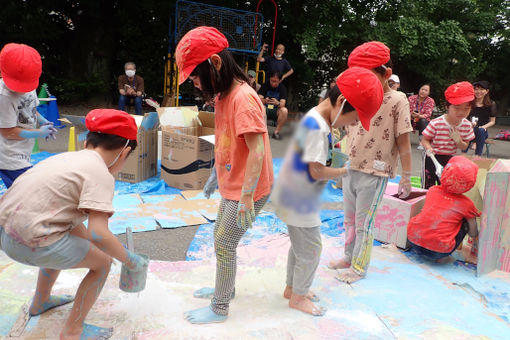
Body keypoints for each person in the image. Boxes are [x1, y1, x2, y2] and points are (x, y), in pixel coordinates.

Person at [0, 109, 148, 339]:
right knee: (103, 264)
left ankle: (40, 301)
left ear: (89, 139)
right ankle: (73, 330)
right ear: (125, 151)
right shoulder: (100, 173)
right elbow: (98, 234)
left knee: (64, 237)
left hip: (6, 234)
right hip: (33, 243)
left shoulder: (67, 158)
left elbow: (75, 227)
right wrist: (130, 260)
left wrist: (99, 246)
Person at [175, 26, 273, 324]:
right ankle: (225, 290)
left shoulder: (243, 98)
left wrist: (246, 196)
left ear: (215, 63)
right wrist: (215, 174)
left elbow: (257, 151)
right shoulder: (221, 96)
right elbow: (229, 139)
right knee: (221, 237)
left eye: (194, 74)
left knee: (224, 243)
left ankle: (220, 307)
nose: (193, 82)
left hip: (250, 188)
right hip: (234, 182)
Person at [272, 67, 383, 316]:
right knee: (311, 250)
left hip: (293, 195)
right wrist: (346, 171)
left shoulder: (316, 116)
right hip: (299, 200)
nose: (352, 125)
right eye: (354, 119)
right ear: (342, 103)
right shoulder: (318, 128)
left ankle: (293, 288)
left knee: (300, 248)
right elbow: (317, 172)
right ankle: (298, 297)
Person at [328, 41, 413, 284]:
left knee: (364, 222)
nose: (362, 83)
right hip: (350, 166)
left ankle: (358, 266)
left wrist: (406, 176)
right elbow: (341, 126)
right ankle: (347, 256)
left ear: (386, 74)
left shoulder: (398, 100)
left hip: (375, 173)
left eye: (369, 77)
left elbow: (404, 143)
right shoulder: (356, 95)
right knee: (349, 219)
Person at [0, 43, 58, 188]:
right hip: (8, 156)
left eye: (25, 85)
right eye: (17, 85)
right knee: (28, 191)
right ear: (2, 72)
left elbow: (31, 108)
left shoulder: (29, 85)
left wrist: (43, 121)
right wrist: (39, 133)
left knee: (21, 194)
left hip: (21, 152)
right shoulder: (4, 97)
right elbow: (8, 132)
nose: (22, 89)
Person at [407, 156, 480, 262]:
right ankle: (444, 257)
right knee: (466, 219)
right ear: (470, 183)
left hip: (413, 241)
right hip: (439, 251)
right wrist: (476, 237)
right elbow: (472, 232)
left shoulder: (432, 190)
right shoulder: (467, 204)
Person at [420, 81, 475, 189]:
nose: (461, 112)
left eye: (466, 108)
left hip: (449, 159)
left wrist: (458, 140)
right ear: (447, 106)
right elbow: (424, 140)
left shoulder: (467, 125)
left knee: (446, 186)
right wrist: (429, 148)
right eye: (457, 108)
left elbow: (464, 146)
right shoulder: (436, 123)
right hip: (432, 157)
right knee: (428, 185)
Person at [464, 81, 496, 156]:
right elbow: (464, 118)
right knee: (472, 130)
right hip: (470, 129)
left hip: (482, 131)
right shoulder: (469, 103)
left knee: (480, 130)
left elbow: (492, 121)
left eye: (481, 89)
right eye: (476, 89)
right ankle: (463, 154)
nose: (478, 92)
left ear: (487, 91)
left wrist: (483, 127)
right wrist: (469, 124)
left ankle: (478, 155)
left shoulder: (491, 104)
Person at [258, 72, 289, 140]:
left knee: (284, 110)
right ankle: (264, 131)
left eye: (275, 81)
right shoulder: (265, 85)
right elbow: (258, 99)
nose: (273, 83)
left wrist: (277, 103)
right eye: (271, 80)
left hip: (276, 110)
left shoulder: (282, 88)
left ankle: (276, 132)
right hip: (265, 109)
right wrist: (264, 100)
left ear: (280, 81)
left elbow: (283, 103)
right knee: (260, 107)